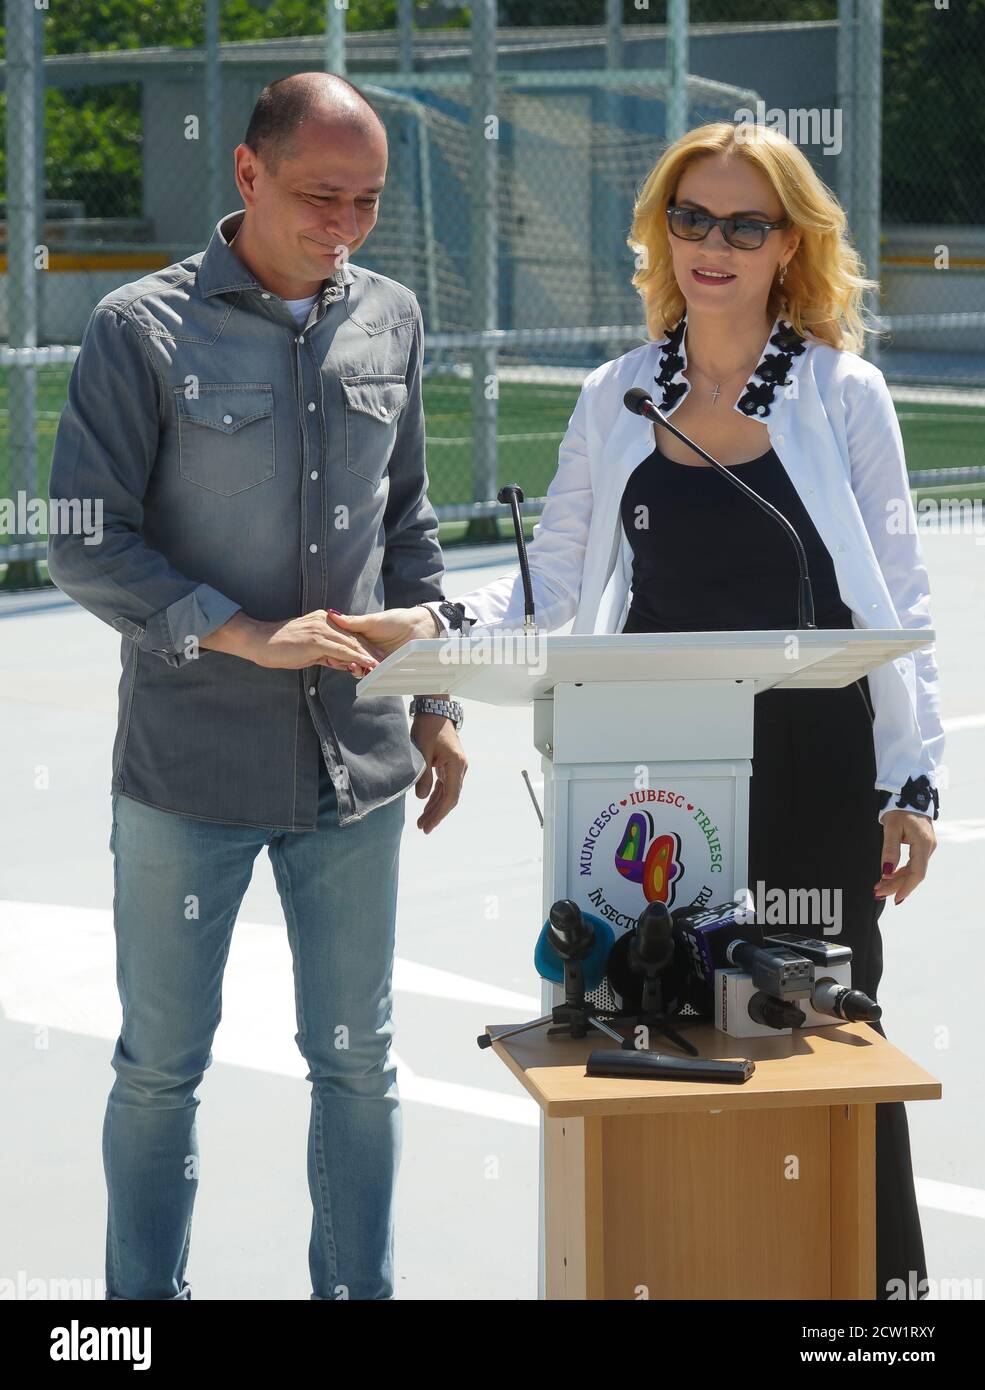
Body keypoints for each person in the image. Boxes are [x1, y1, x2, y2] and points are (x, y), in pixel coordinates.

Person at [334, 122, 944, 1299]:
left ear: (788, 246)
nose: (712, 246)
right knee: (652, 1034)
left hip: (819, 773)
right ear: (662, 233)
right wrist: (429, 628)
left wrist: (910, 782)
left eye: (744, 224)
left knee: (819, 1037)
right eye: (690, 219)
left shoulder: (841, 393)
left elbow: (900, 592)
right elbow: (548, 585)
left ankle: (871, 1310)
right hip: (657, 770)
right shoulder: (619, 392)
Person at [46, 72, 467, 1301]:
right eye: (318, 196)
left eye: (367, 203)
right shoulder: (139, 329)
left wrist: (436, 699)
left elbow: (414, 524)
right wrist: (244, 635)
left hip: (360, 770)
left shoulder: (392, 316)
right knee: (160, 1068)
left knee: (358, 1067)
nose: (343, 226)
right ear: (245, 175)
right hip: (190, 770)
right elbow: (83, 538)